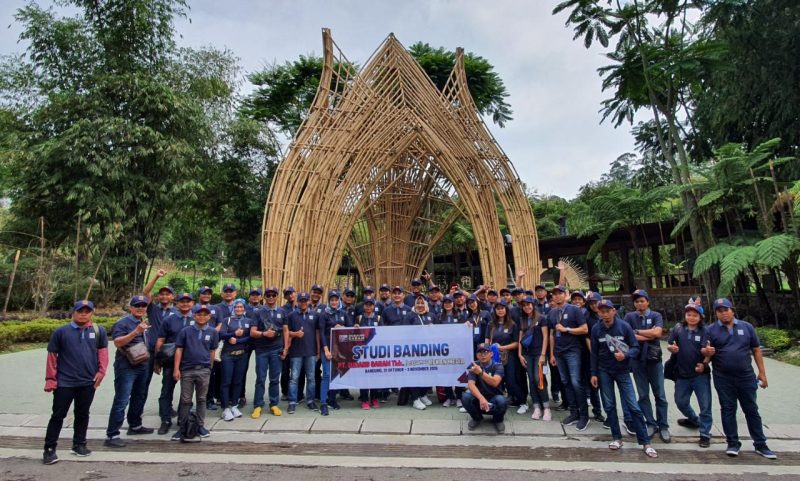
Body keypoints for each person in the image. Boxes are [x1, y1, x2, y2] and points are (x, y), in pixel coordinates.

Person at [703, 298, 776, 459]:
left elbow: (756, 349)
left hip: (746, 376)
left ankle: (760, 444)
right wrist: (706, 354)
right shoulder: (710, 330)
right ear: (716, 313)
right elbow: (705, 352)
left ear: (732, 310)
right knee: (728, 409)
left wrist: (762, 373)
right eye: (719, 311)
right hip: (723, 377)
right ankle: (733, 443)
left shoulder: (746, 327)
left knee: (751, 409)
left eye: (726, 310)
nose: (723, 313)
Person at [42, 300, 108, 465]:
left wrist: (101, 372)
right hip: (65, 382)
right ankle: (49, 449)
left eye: (87, 311)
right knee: (58, 415)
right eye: (80, 310)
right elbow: (52, 356)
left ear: (92, 313)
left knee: (83, 414)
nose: (83, 313)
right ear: (74, 312)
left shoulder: (98, 331)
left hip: (88, 381)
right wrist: (50, 379)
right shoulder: (61, 332)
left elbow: (103, 353)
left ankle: (79, 444)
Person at [590, 300, 657, 458]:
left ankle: (645, 442)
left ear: (614, 311)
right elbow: (593, 353)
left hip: (623, 371)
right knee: (609, 406)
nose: (605, 314)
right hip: (604, 371)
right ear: (599, 313)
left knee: (633, 406)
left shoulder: (623, 326)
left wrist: (625, 355)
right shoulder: (596, 329)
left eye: (608, 311)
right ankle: (617, 438)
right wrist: (593, 373)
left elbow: (635, 347)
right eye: (602, 311)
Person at [104, 295, 155, 448]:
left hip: (143, 364)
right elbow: (117, 342)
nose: (140, 308)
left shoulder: (144, 322)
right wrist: (136, 332)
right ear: (131, 307)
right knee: (122, 399)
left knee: (139, 396)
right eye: (137, 305)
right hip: (126, 366)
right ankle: (112, 434)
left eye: (143, 306)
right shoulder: (123, 323)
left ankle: (135, 425)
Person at [623, 289, 670, 443]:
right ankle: (650, 423)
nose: (639, 304)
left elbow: (657, 333)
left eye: (642, 301)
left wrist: (637, 333)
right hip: (637, 361)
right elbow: (627, 336)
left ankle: (663, 425)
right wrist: (645, 335)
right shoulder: (630, 317)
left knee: (660, 395)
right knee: (643, 395)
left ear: (648, 301)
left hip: (654, 360)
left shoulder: (656, 315)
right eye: (636, 301)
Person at [667, 301, 713, 448]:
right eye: (689, 314)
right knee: (680, 401)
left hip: (700, 374)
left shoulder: (705, 331)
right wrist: (671, 348)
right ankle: (694, 419)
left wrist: (705, 362)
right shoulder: (678, 328)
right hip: (682, 373)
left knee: (705, 405)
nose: (691, 317)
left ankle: (705, 434)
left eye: (695, 315)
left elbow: (708, 350)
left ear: (700, 317)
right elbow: (670, 344)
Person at [548, 285, 590, 430]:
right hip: (558, 352)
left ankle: (584, 415)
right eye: (554, 294)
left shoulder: (574, 310)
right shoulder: (552, 313)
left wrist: (567, 329)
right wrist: (552, 353)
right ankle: (574, 412)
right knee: (565, 382)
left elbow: (584, 329)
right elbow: (552, 334)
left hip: (572, 351)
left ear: (565, 294)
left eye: (560, 293)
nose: (557, 296)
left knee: (576, 382)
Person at [173, 305, 218, 441]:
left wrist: (210, 368)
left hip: (203, 370)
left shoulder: (213, 332)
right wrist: (176, 368)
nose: (202, 317)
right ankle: (183, 427)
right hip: (187, 369)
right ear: (194, 315)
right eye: (199, 314)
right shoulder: (185, 331)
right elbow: (179, 349)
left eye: (205, 314)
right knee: (186, 400)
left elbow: (212, 351)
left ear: (209, 317)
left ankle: (200, 425)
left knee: (201, 399)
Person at [154, 292, 196, 435]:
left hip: (189, 361)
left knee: (187, 392)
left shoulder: (198, 319)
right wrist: (157, 360)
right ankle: (165, 419)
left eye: (188, 301)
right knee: (166, 390)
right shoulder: (169, 320)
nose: (185, 304)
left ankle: (182, 418)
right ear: (177, 303)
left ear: (193, 303)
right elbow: (160, 340)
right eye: (182, 301)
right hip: (170, 361)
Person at [250, 286, 287, 418]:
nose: (271, 297)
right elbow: (252, 332)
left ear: (277, 297)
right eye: (268, 295)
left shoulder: (282, 311)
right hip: (262, 350)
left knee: (274, 379)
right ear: (264, 297)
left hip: (276, 349)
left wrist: (286, 348)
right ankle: (258, 405)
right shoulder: (258, 312)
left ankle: (273, 404)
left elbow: (285, 331)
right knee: (260, 378)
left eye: (273, 295)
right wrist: (264, 333)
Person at [486, 300, 524, 412]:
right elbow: (487, 339)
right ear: (495, 311)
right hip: (494, 357)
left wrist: (502, 348)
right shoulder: (491, 324)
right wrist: (488, 348)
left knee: (511, 381)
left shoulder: (512, 324)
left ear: (506, 310)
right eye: (498, 309)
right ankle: (496, 402)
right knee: (495, 381)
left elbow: (517, 343)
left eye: (502, 308)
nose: (500, 310)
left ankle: (522, 402)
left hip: (509, 357)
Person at [462, 343, 508, 433]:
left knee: (502, 400)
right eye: (480, 352)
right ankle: (477, 418)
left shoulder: (498, 366)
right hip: (479, 400)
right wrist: (481, 398)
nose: (483, 355)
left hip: (494, 399)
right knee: (466, 397)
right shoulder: (474, 365)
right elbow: (471, 385)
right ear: (476, 355)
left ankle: (498, 420)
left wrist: (480, 373)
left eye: (486, 352)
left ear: (491, 354)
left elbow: (495, 382)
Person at [518, 296, 551, 421]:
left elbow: (546, 337)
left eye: (529, 304)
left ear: (533, 305)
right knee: (531, 379)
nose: (527, 307)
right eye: (524, 305)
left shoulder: (541, 318)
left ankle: (546, 407)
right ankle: (536, 407)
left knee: (539, 379)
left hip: (539, 353)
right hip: (527, 353)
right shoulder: (523, 319)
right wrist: (519, 354)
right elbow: (520, 338)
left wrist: (543, 355)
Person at [287, 292, 320, 414]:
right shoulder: (291, 315)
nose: (303, 303)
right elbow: (286, 332)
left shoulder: (315, 315)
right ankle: (292, 402)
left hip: (310, 351)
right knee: (294, 378)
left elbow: (317, 333)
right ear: (298, 302)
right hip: (296, 352)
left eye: (305, 300)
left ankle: (310, 401)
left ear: (308, 301)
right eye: (301, 300)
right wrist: (295, 334)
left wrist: (317, 350)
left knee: (311, 378)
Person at [219, 299, 251, 421]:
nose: (238, 309)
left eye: (241, 307)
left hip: (241, 354)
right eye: (236, 307)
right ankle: (225, 408)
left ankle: (234, 405)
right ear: (233, 308)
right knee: (226, 381)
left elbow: (250, 337)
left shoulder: (248, 321)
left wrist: (238, 340)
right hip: (228, 354)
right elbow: (221, 334)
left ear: (244, 309)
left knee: (238, 381)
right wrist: (233, 334)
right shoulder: (227, 320)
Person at [319, 289, 350, 415]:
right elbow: (321, 333)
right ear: (329, 301)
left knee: (336, 375)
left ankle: (332, 399)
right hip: (327, 348)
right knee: (326, 375)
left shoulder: (343, 313)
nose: (334, 302)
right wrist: (325, 349)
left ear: (339, 300)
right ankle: (323, 403)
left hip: (340, 350)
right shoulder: (324, 314)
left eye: (336, 300)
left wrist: (343, 328)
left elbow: (350, 329)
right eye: (332, 300)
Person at [404, 296, 435, 410]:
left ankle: (423, 394)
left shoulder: (431, 316)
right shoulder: (410, 315)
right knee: (415, 374)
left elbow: (438, 333)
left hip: (429, 351)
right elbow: (405, 332)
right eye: (418, 303)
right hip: (414, 351)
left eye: (422, 303)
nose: (420, 305)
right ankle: (415, 399)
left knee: (427, 373)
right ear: (415, 304)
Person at [354, 298, 385, 409]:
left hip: (375, 352)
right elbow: (353, 334)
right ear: (363, 306)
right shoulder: (359, 317)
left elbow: (383, 333)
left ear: (373, 306)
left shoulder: (379, 318)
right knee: (363, 375)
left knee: (375, 375)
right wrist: (355, 327)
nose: (368, 307)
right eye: (366, 305)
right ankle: (364, 399)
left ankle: (374, 398)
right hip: (362, 352)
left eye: (370, 305)